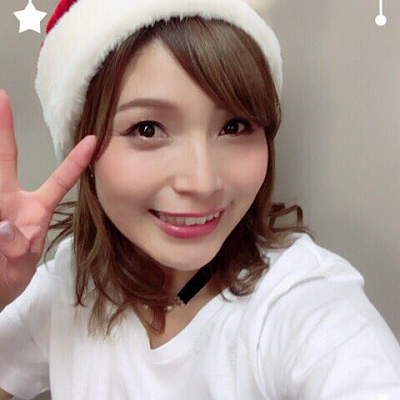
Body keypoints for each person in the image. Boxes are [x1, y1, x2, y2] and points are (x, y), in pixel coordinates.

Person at [0, 0, 400, 399]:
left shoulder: (301, 301)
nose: (203, 182)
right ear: (82, 151)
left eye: (234, 126)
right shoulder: (70, 282)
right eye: (148, 129)